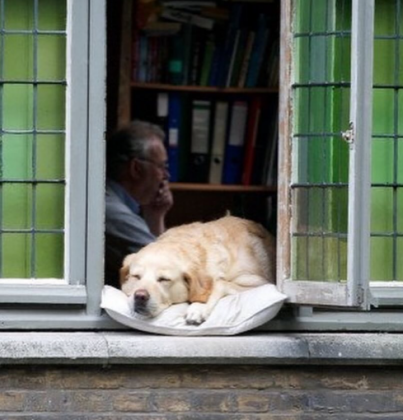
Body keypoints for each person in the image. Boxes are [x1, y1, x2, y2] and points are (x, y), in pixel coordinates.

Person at [104, 120, 173, 288]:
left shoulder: (116, 201)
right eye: (161, 166)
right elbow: (166, 266)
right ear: (136, 168)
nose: (166, 175)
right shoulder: (110, 211)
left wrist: (155, 215)